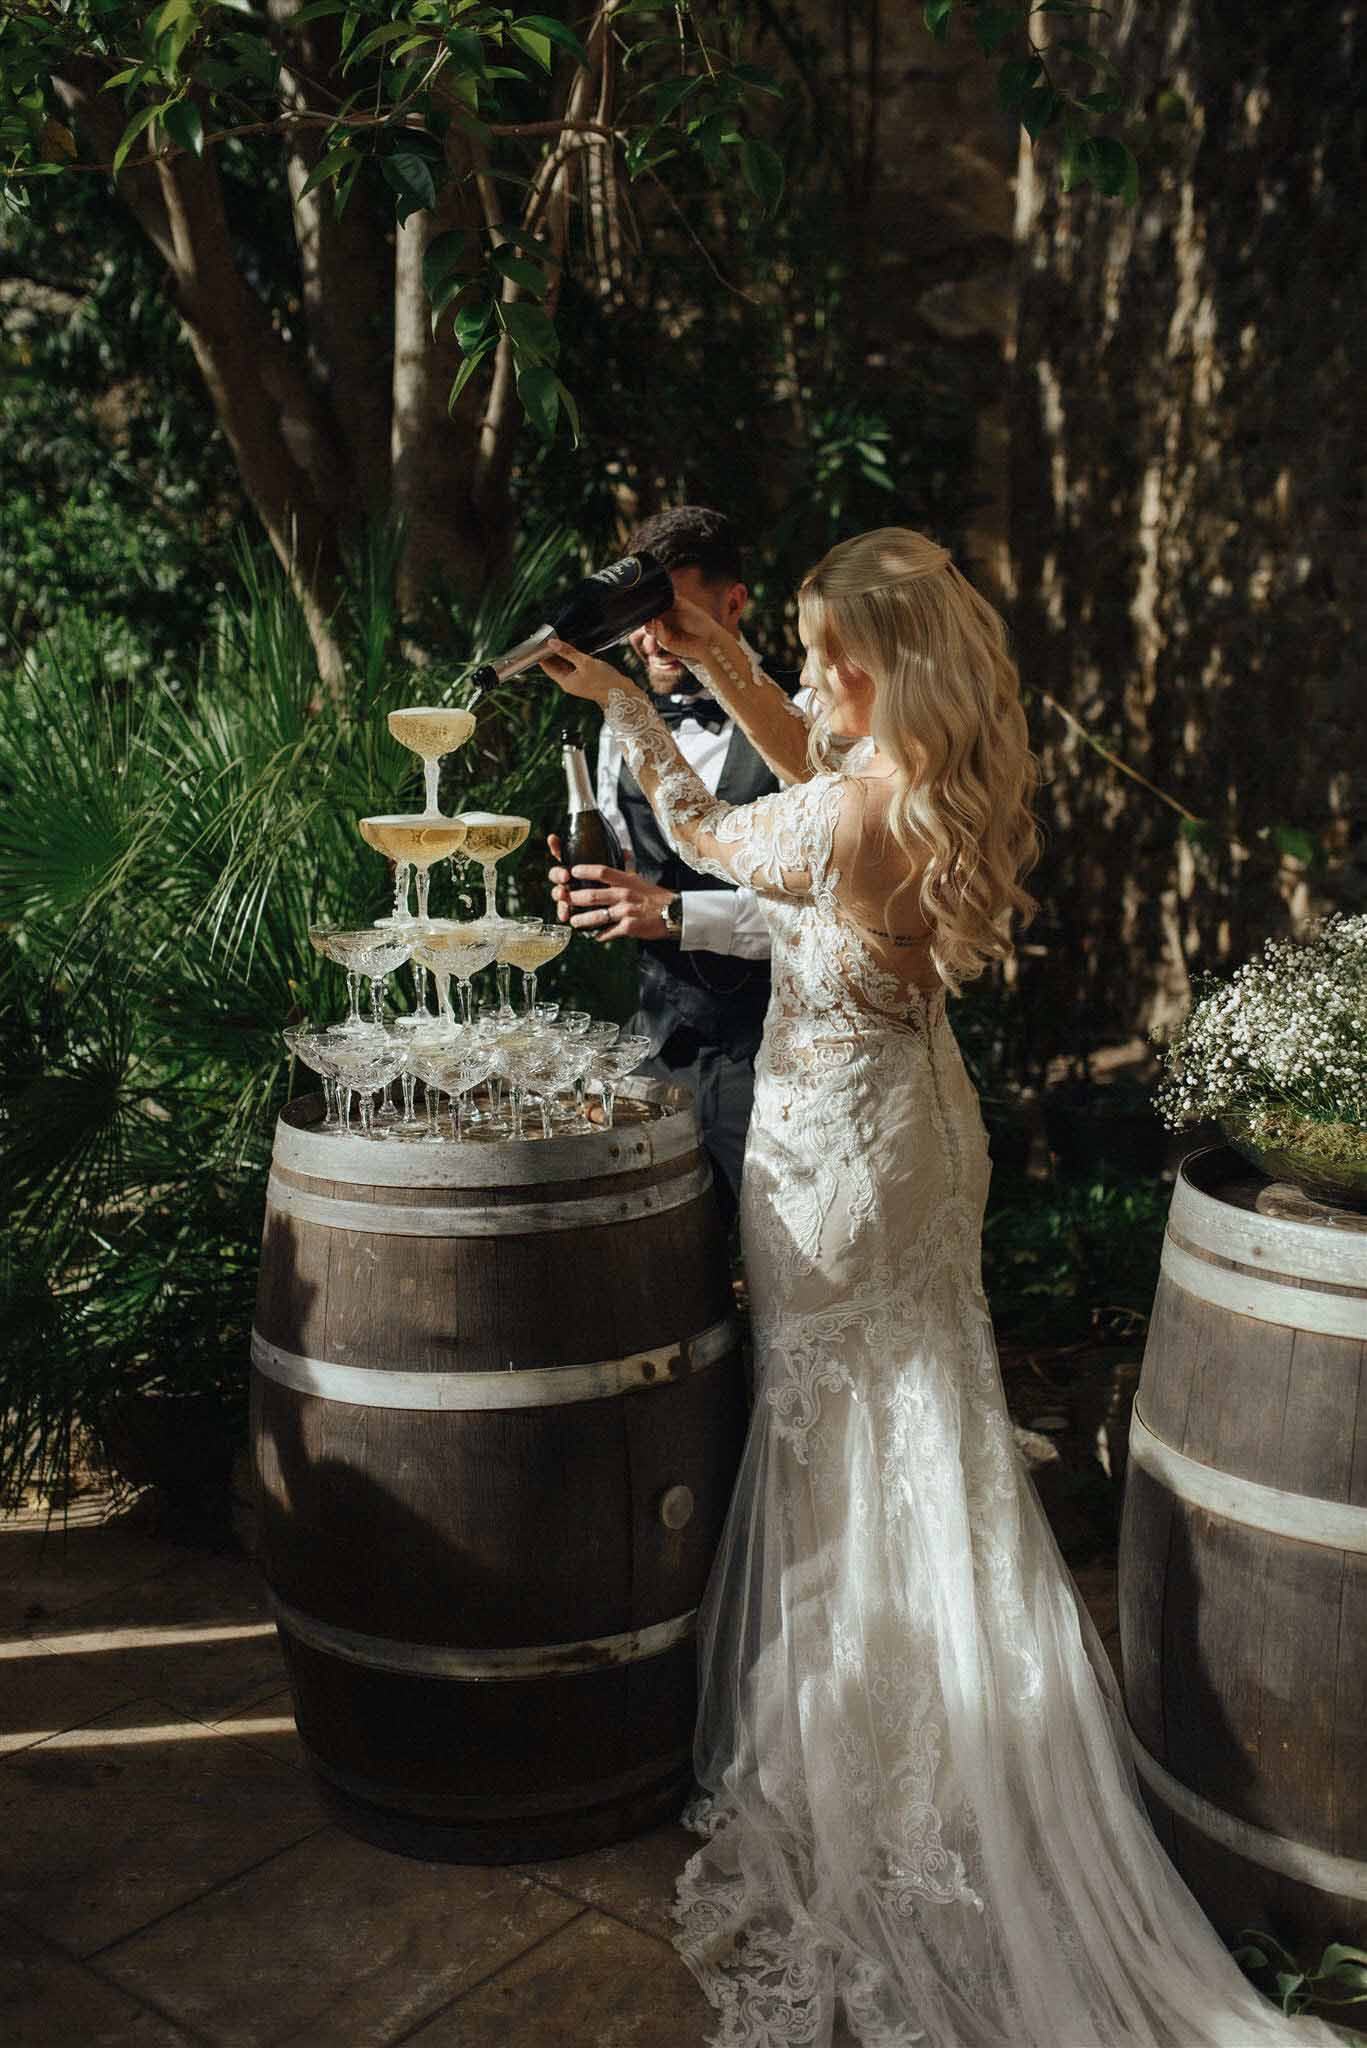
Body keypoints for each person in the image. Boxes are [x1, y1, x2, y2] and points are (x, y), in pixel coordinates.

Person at [536, 529, 1336, 2048]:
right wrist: (714, 664)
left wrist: (625, 710)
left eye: (818, 648)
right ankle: (941, 1700)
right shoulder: (919, 776)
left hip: (830, 1158)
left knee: (833, 1430)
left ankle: (871, 1745)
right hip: (919, 1132)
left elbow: (711, 835)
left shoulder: (841, 816)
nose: (805, 673)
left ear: (874, 666)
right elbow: (804, 754)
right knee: (929, 1421)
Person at [548, 506, 801, 1232]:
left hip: (775, 1052)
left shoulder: (806, 712)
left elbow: (831, 904)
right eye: (636, 615)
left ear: (733, 603)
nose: (650, 637)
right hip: (655, 1044)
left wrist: (673, 913)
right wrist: (593, 886)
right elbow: (637, 865)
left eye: (671, 612)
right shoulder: (615, 719)